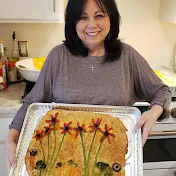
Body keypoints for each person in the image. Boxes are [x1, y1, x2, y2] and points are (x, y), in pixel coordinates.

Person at [6, 0, 171, 172]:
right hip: (63, 165)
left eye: (99, 15)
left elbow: (161, 91)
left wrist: (154, 112)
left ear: (111, 18)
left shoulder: (126, 56)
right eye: (82, 18)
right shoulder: (59, 56)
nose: (92, 25)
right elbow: (32, 101)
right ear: (73, 22)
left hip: (110, 159)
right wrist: (13, 134)